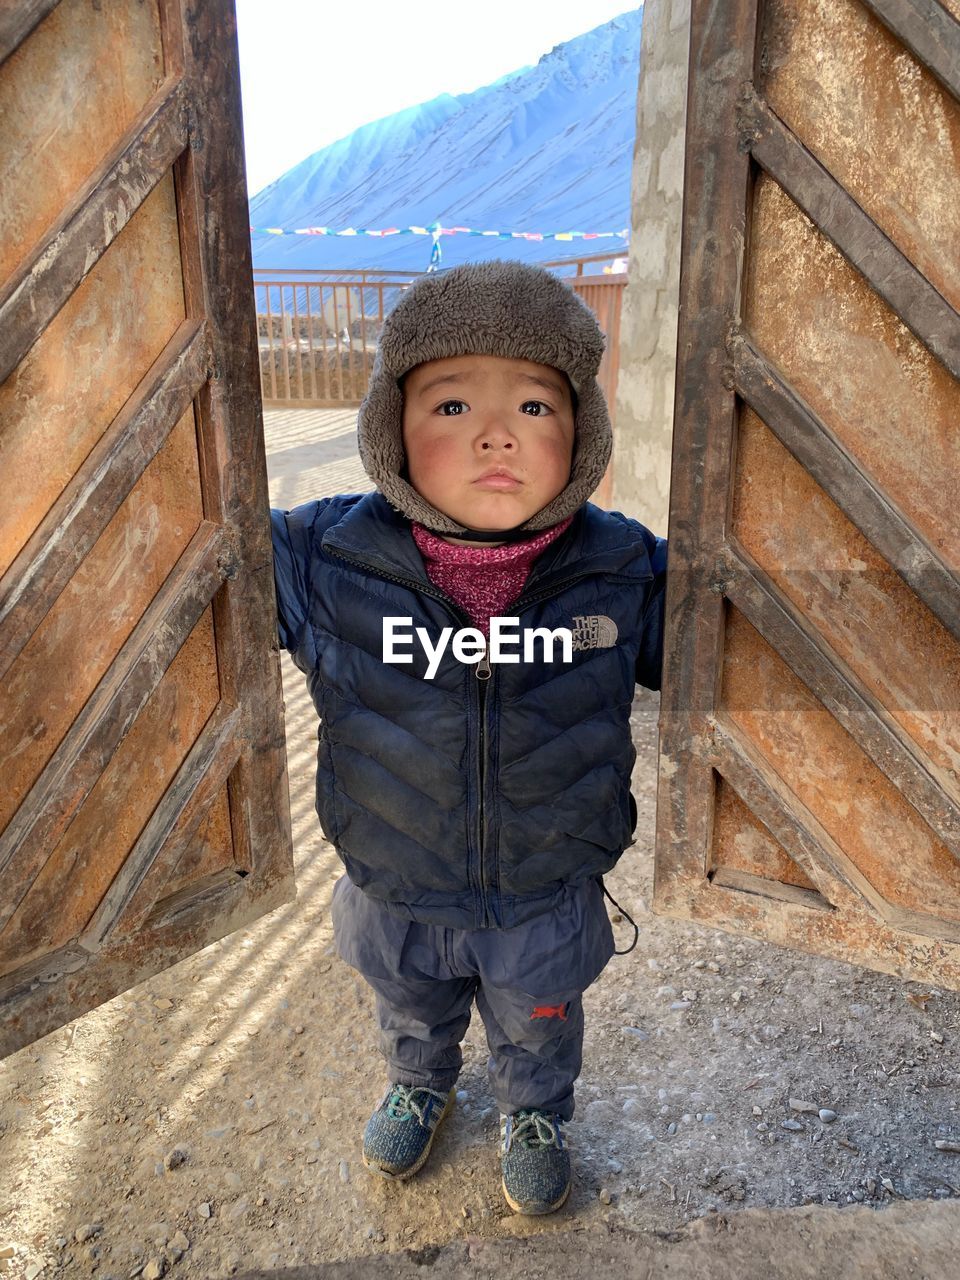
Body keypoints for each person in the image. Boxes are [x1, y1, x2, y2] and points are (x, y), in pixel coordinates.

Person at [270, 260, 667, 1216]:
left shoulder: (624, 571)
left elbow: (754, 631)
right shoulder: (323, 560)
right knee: (408, 1001)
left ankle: (536, 1108)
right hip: (394, 877)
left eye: (535, 405)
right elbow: (180, 539)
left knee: (540, 1018)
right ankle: (422, 1079)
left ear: (582, 434)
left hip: (545, 885)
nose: (495, 433)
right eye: (450, 406)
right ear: (389, 433)